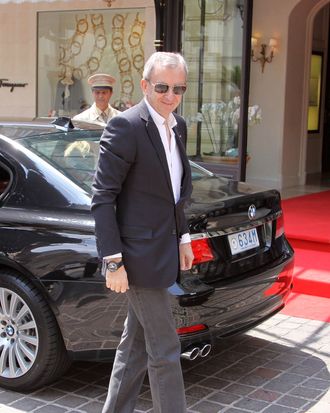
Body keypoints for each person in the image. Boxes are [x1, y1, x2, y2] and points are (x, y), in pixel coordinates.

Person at [91, 52, 194, 413]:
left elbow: (176, 193)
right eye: (163, 87)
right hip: (136, 259)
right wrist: (113, 261)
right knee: (164, 350)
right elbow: (103, 198)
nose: (170, 95)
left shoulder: (177, 126)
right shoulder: (126, 126)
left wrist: (183, 237)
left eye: (178, 88)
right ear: (145, 85)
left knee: (134, 347)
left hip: (163, 252)